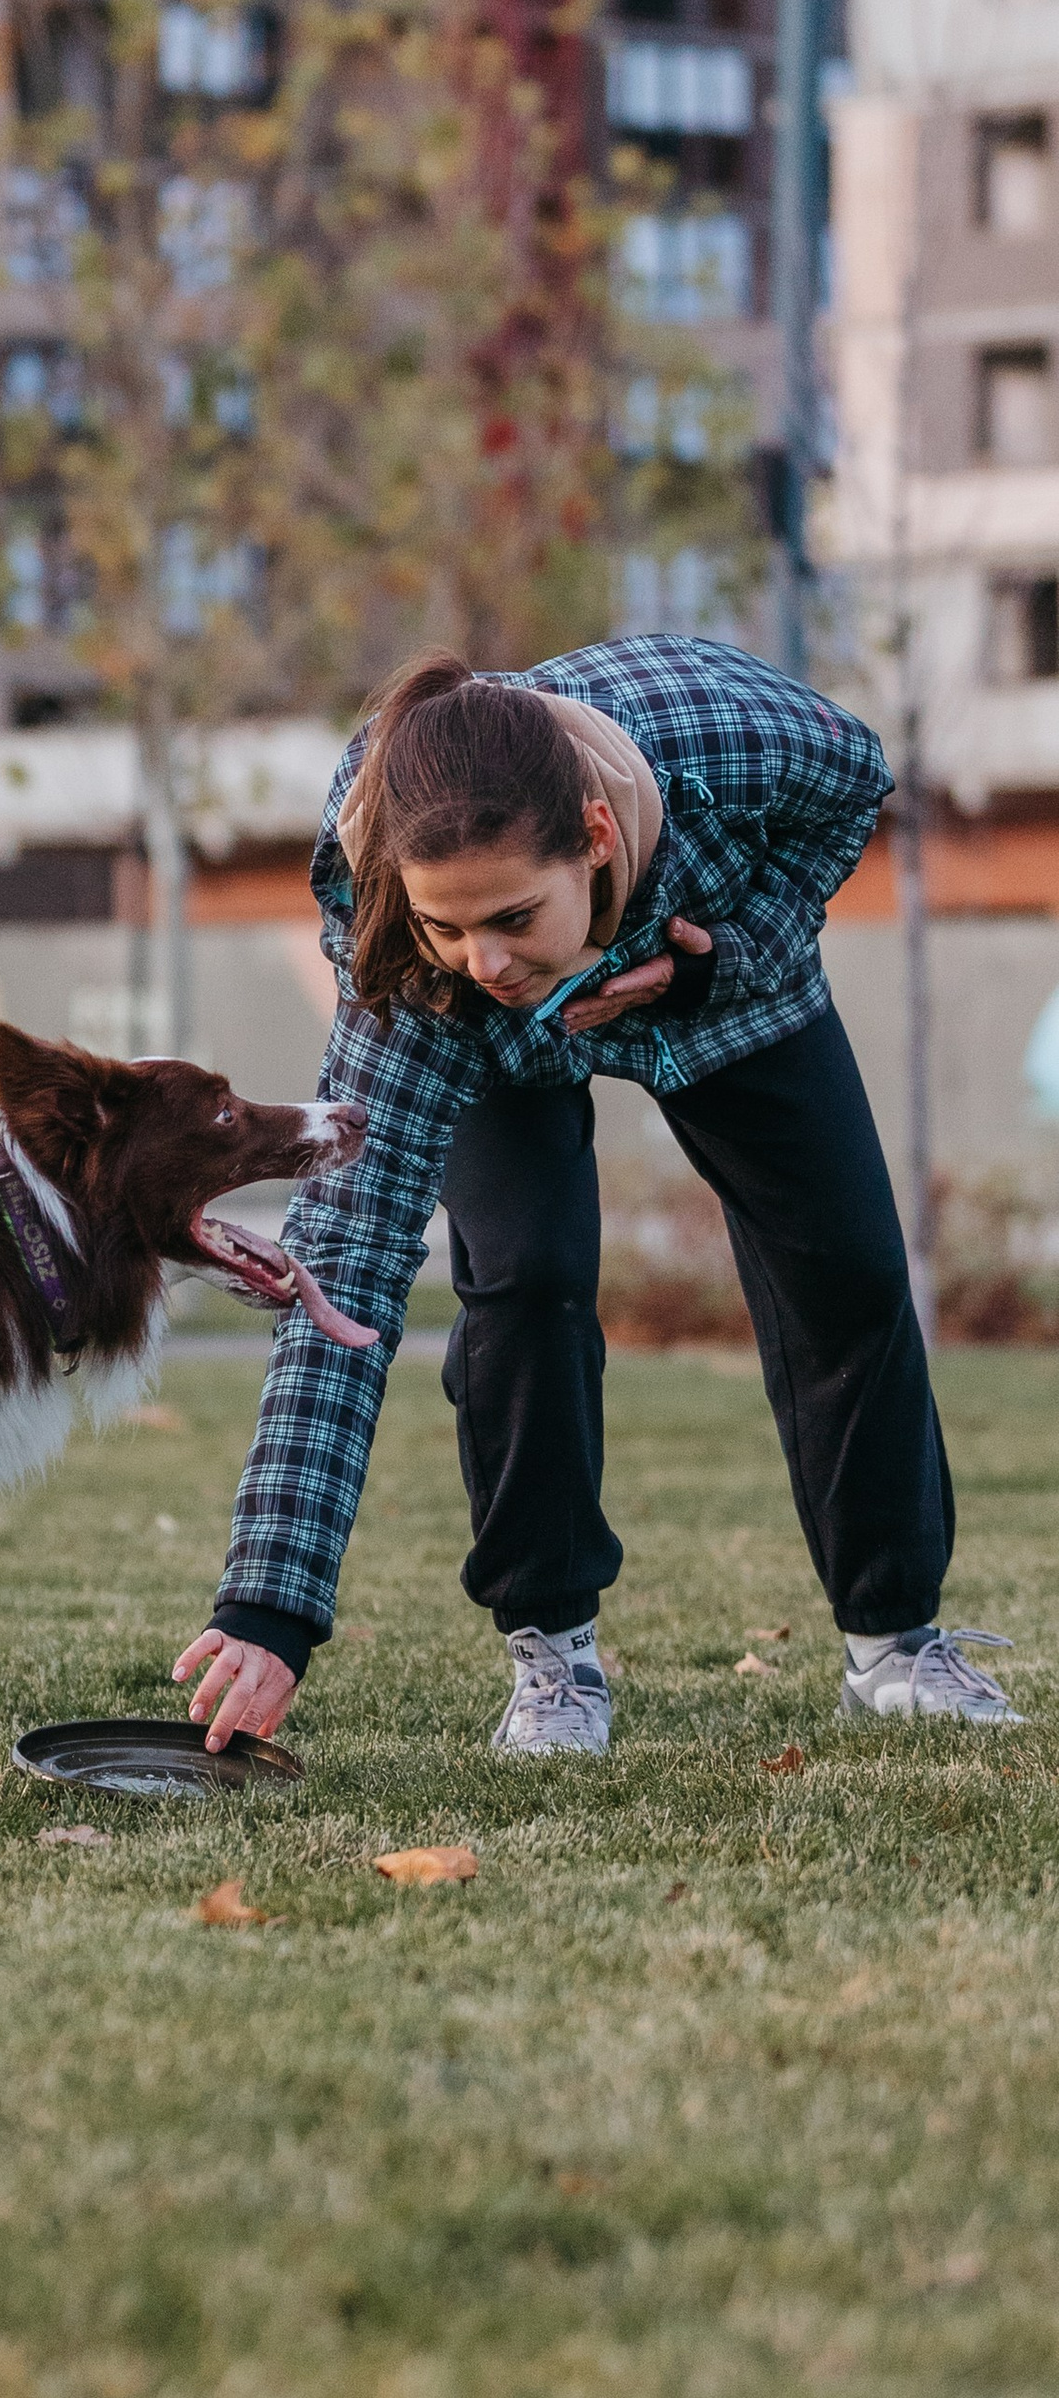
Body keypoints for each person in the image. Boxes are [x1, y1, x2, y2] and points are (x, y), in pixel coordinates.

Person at [174, 635, 1021, 1758]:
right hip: (488, 1056)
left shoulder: (725, 734)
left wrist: (730, 954)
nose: (483, 954)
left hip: (712, 975)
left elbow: (857, 783)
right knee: (527, 1276)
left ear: (596, 837)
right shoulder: (422, 961)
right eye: (449, 922)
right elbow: (343, 1270)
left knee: (848, 1272)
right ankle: (552, 1648)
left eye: (512, 918)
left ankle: (894, 1642)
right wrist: (267, 1605)